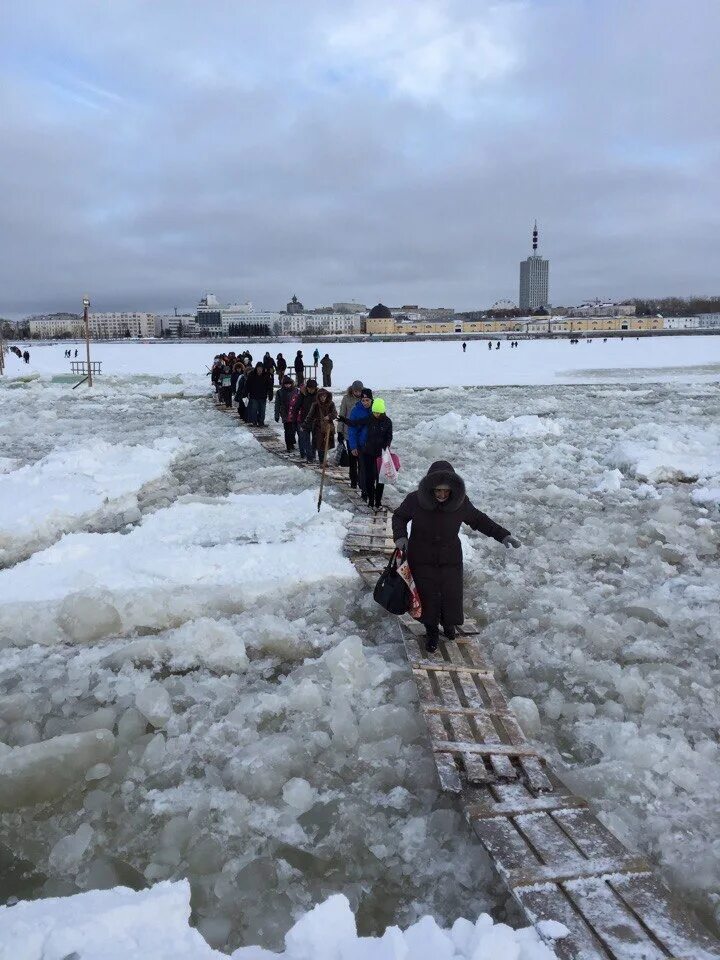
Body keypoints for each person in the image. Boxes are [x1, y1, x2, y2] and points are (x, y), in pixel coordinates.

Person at [392, 461, 520, 653]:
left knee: (450, 595)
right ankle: (432, 631)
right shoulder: (414, 500)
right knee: (427, 596)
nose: (442, 495)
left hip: (449, 558)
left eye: (446, 491)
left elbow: (479, 520)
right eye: (438, 490)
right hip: (421, 557)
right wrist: (401, 536)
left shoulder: (460, 503)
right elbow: (399, 516)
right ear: (430, 488)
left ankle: (449, 625)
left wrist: (503, 535)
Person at [337, 380, 363, 488]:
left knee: (361, 460)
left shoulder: (364, 399)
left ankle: (361, 481)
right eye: (356, 391)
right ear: (352, 390)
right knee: (352, 460)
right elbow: (342, 415)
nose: (357, 393)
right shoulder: (346, 398)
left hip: (362, 435)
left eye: (359, 391)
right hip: (349, 434)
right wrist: (340, 432)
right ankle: (353, 481)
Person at [302, 387, 337, 463]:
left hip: (328, 427)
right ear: (318, 397)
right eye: (321, 396)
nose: (323, 398)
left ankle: (324, 460)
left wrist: (329, 416)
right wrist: (305, 424)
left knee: (326, 445)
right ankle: (322, 461)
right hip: (318, 427)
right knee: (320, 444)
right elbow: (310, 416)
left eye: (324, 396)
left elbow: (335, 414)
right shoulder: (315, 405)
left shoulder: (331, 404)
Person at [294, 378, 317, 459]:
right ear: (307, 388)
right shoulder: (302, 395)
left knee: (315, 440)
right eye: (310, 388)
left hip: (315, 421)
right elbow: (296, 407)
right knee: (305, 439)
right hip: (304, 420)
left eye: (313, 389)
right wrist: (295, 419)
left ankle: (313, 455)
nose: (311, 390)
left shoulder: (318, 395)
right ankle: (309, 456)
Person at [275, 376, 299, 451]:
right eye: (286, 384)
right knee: (287, 430)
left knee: (293, 430)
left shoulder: (296, 391)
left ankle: (291, 442)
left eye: (289, 384)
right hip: (285, 413)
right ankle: (289, 445)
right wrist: (276, 415)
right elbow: (277, 404)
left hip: (294, 413)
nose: (287, 385)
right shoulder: (280, 392)